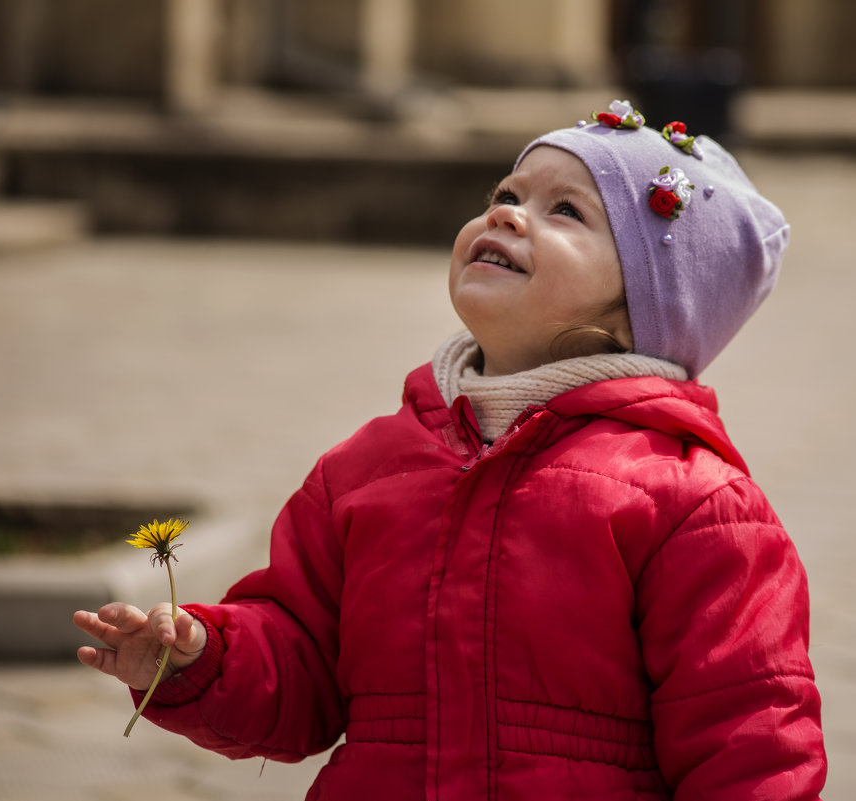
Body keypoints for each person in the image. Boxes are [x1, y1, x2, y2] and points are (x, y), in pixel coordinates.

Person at [74, 100, 827, 799]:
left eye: (564, 210)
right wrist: (202, 657)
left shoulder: (692, 501)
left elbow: (749, 736)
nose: (507, 212)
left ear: (646, 304)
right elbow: (300, 664)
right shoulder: (366, 468)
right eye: (507, 192)